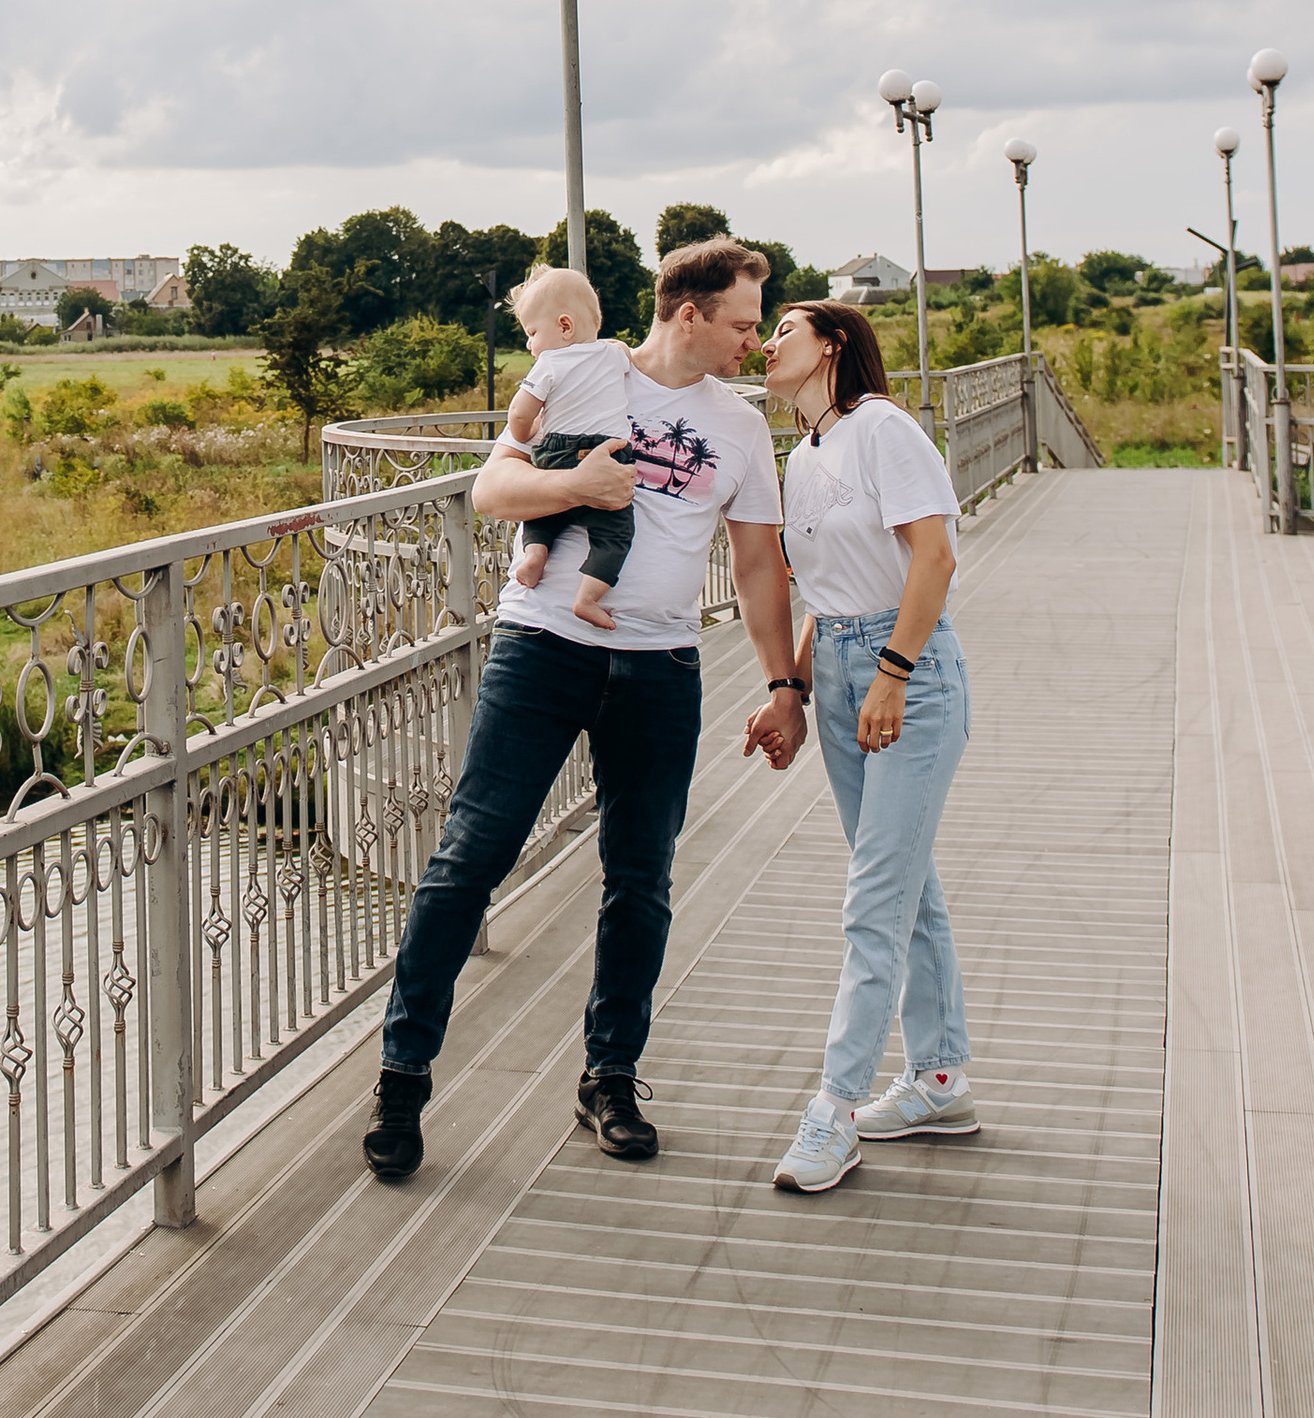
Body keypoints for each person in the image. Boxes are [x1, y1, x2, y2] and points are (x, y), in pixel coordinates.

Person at [361, 239, 805, 1182]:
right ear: (688, 314)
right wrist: (577, 487)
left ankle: (610, 1075)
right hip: (543, 648)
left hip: (660, 664)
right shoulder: (580, 367)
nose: (751, 340)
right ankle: (403, 1076)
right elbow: (491, 488)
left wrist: (783, 686)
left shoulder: (737, 424)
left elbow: (761, 564)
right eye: (739, 321)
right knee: (468, 858)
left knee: (640, 878)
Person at [745, 297, 973, 1195]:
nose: (767, 344)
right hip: (839, 662)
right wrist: (793, 689)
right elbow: (825, 590)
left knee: (873, 899)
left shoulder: (883, 429)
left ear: (834, 344)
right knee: (905, 885)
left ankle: (833, 1110)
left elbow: (935, 558)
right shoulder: (800, 456)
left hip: (904, 669)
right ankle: (941, 1077)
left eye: (785, 332)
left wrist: (894, 671)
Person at [503, 263, 635, 630]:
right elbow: (629, 355)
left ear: (564, 326)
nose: (529, 344)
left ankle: (534, 555)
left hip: (557, 452)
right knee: (614, 535)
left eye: (531, 332)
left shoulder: (549, 363)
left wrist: (527, 431)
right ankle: (589, 598)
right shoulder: (614, 353)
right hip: (608, 454)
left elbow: (519, 412)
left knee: (543, 511)